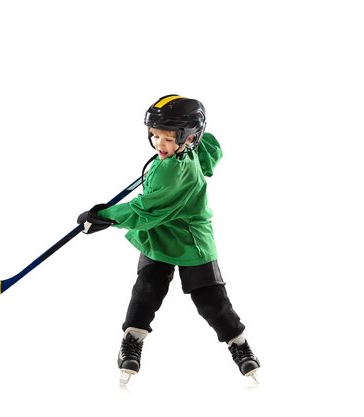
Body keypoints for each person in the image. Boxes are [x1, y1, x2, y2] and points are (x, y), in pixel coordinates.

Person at [77, 94, 260, 383]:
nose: (159, 145)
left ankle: (240, 346)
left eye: (167, 139)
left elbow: (144, 210)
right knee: (147, 289)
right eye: (155, 136)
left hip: (190, 238)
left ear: (188, 138)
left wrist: (104, 215)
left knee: (210, 299)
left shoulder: (172, 173)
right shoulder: (193, 148)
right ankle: (132, 341)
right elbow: (210, 148)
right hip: (160, 236)